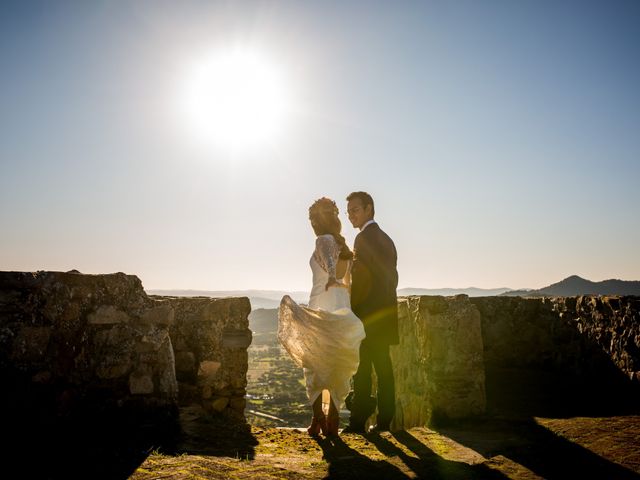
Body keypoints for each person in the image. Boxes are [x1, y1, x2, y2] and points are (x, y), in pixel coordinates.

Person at [278, 197, 366, 437]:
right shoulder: (344, 247)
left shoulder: (324, 240)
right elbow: (348, 281)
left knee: (313, 362)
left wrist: (330, 276)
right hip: (342, 306)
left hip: (322, 303)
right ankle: (332, 420)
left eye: (312, 219)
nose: (311, 224)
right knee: (337, 364)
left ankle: (318, 419)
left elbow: (328, 261)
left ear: (318, 221)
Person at [344, 191, 398, 434]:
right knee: (384, 369)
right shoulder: (387, 239)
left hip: (367, 317)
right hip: (384, 316)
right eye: (348, 212)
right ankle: (385, 420)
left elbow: (361, 280)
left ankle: (357, 424)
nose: (351, 216)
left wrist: (351, 311)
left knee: (363, 370)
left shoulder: (363, 239)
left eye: (355, 210)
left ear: (369, 209)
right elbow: (392, 280)